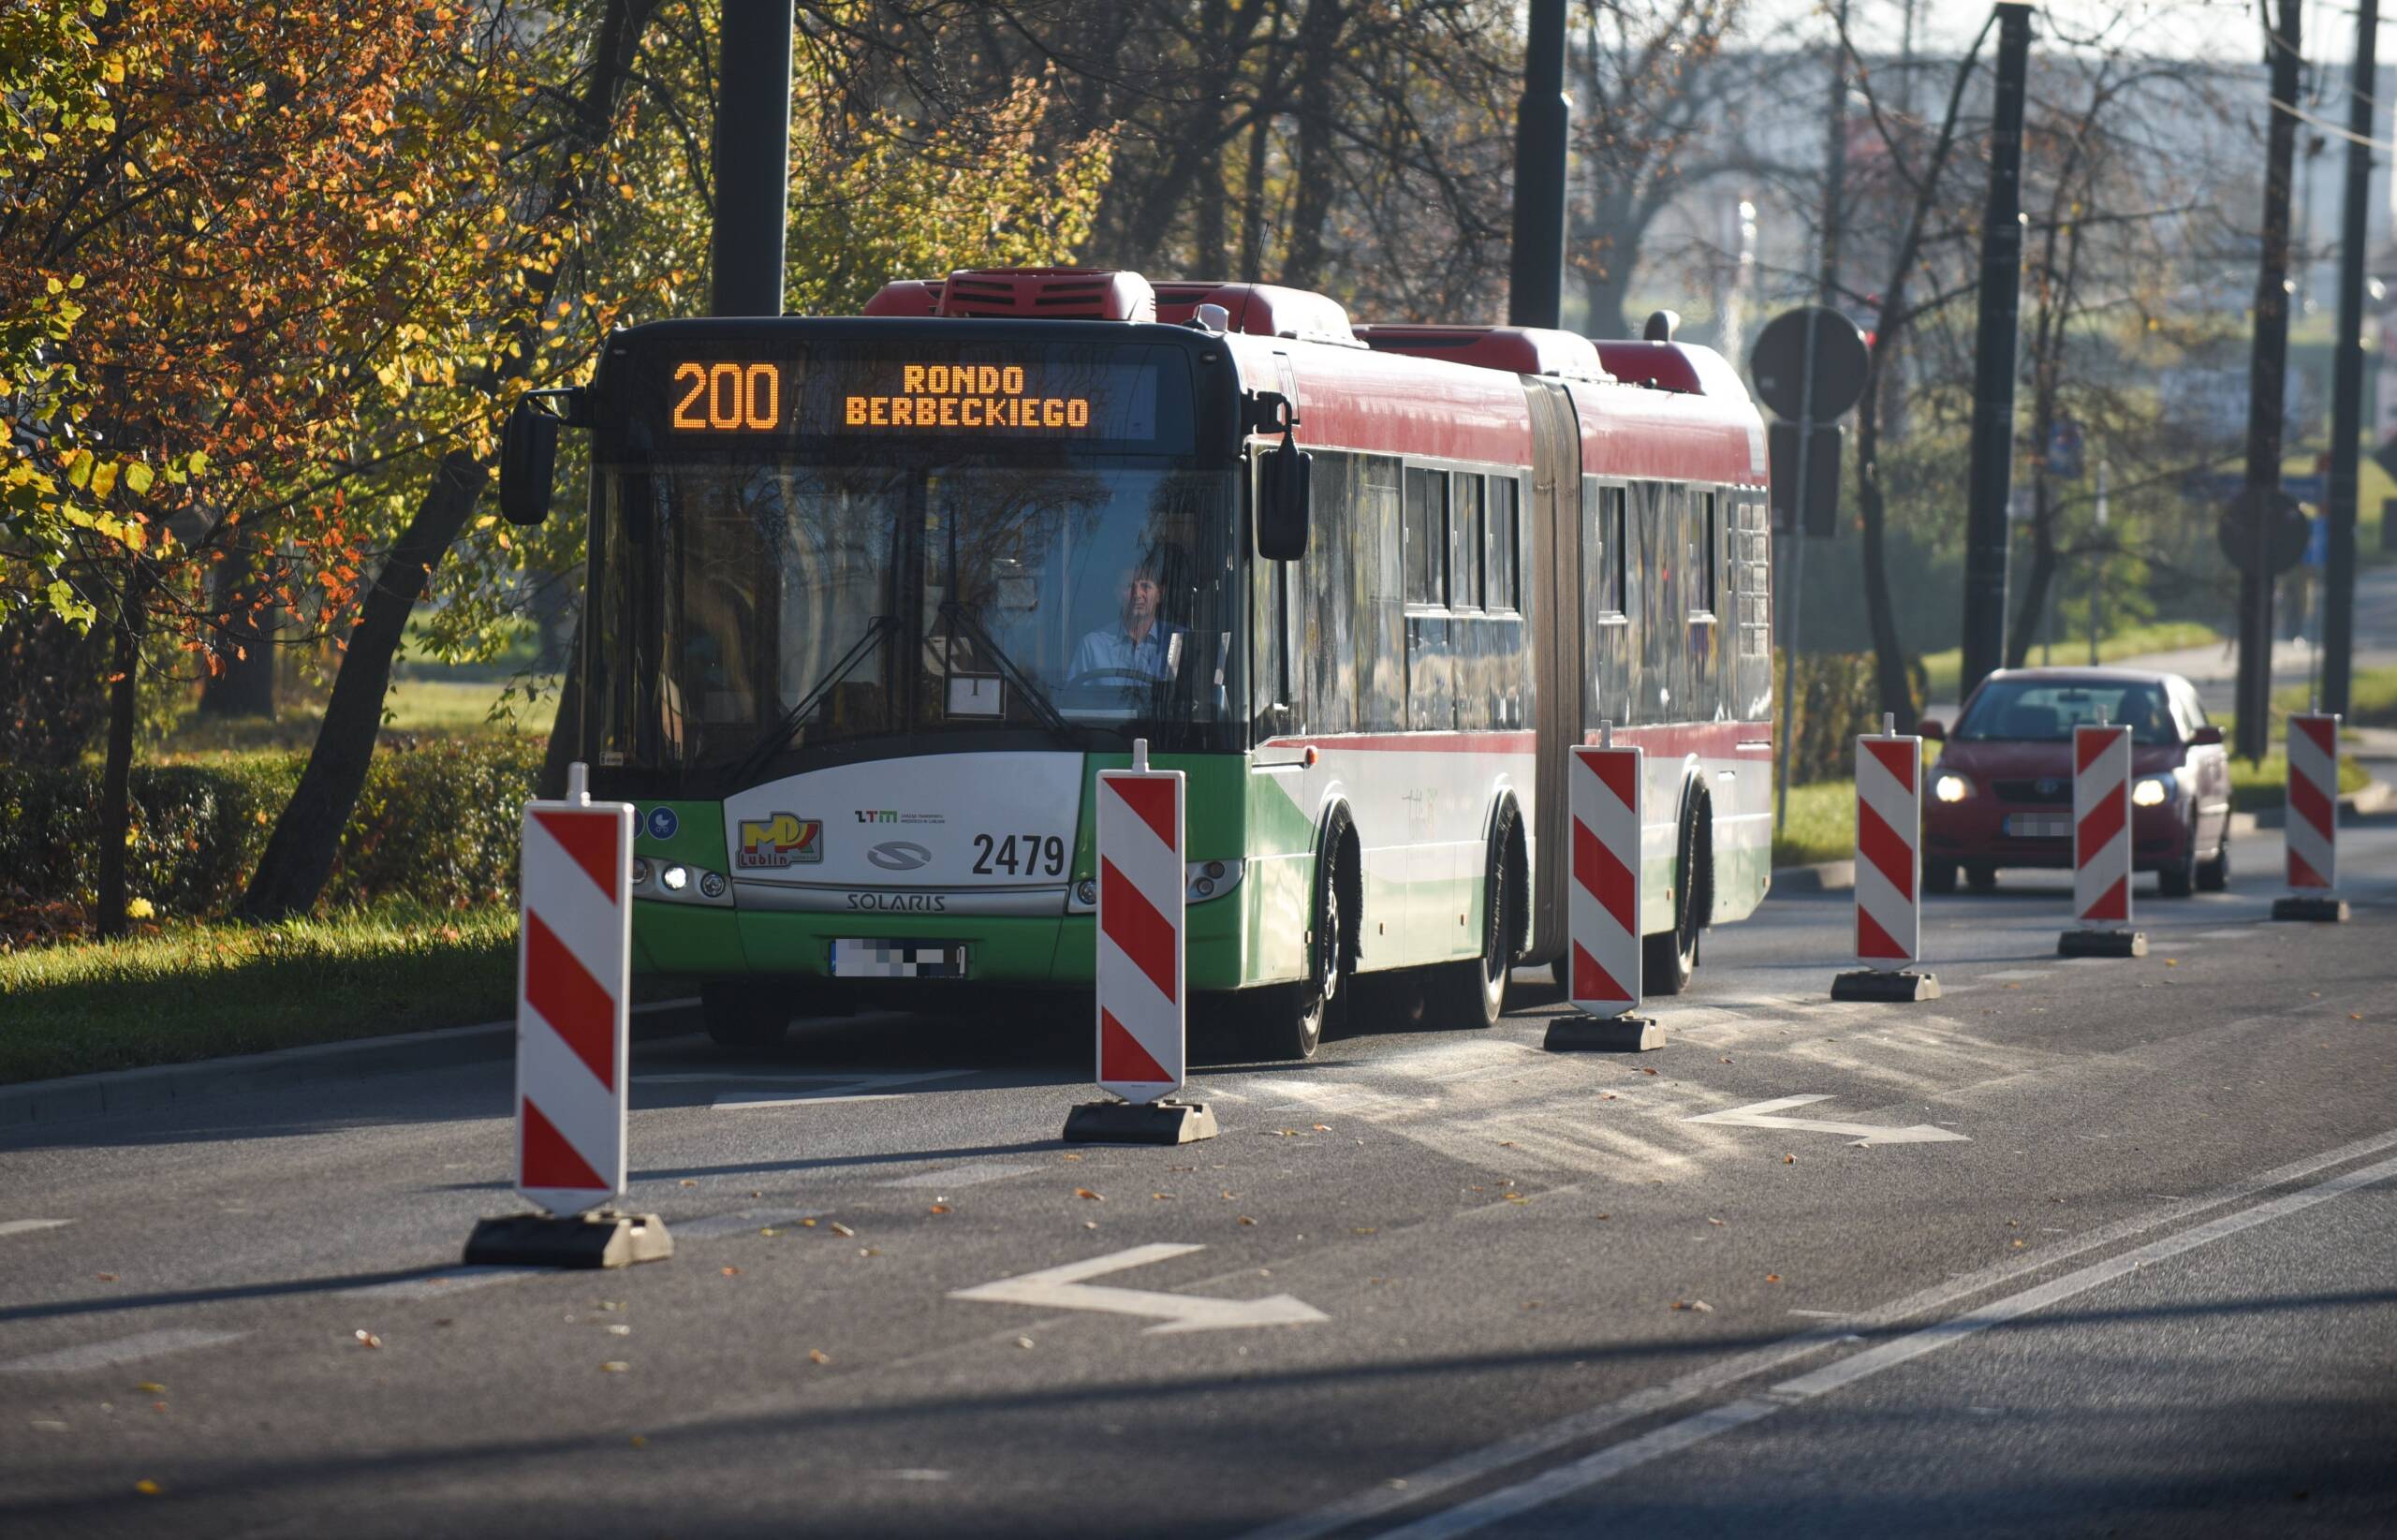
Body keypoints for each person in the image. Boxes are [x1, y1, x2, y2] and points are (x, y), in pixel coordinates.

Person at [1072, 561, 1184, 682]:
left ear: (1159, 594)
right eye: (1129, 586)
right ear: (1117, 594)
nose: (1137, 594)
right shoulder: (1092, 646)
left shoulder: (1178, 640)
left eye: (1146, 586)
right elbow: (1074, 692)